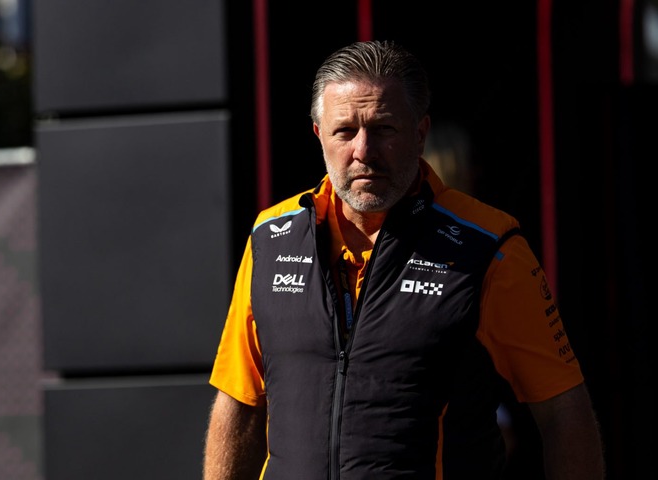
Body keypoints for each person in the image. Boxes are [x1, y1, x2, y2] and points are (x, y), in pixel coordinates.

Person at [202, 40, 605, 480]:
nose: (363, 151)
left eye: (384, 129)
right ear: (319, 135)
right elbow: (238, 403)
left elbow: (564, 410)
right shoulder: (271, 237)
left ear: (420, 132)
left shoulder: (491, 247)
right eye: (344, 131)